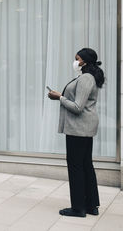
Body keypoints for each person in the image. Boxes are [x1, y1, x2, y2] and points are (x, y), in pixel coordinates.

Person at [48, 48, 104, 218]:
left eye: (77, 58)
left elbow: (78, 107)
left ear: (85, 61)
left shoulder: (86, 78)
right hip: (83, 128)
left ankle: (78, 208)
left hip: (79, 128)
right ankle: (91, 205)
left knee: (76, 166)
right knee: (86, 164)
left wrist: (60, 97)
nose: (75, 61)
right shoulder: (86, 77)